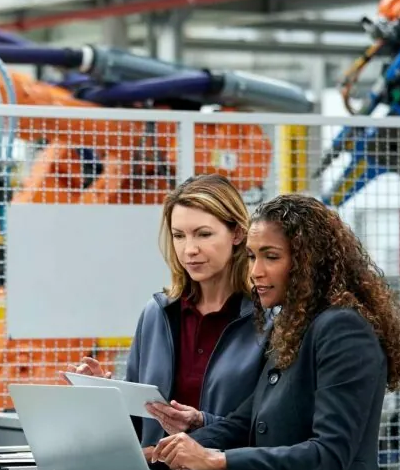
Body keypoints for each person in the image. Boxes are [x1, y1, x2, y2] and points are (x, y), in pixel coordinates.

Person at [151, 193, 400, 470]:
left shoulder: (343, 329)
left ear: (309, 262)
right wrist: (160, 453)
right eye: (253, 256)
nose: (255, 271)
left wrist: (218, 460)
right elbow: (246, 422)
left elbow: (330, 455)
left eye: (271, 257)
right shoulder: (295, 327)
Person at [67, 174, 269, 449]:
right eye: (179, 236)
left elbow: (275, 426)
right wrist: (105, 397)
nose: (190, 249)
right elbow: (137, 427)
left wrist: (203, 422)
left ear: (237, 233)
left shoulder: (268, 319)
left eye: (203, 234)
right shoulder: (156, 315)